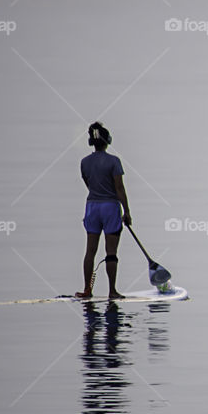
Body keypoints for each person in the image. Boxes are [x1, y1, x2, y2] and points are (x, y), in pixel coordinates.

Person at [76, 122, 131, 299]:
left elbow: (88, 184)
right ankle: (112, 291)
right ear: (107, 141)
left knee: (90, 251)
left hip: (92, 206)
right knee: (111, 252)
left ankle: (86, 290)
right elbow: (119, 188)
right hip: (110, 208)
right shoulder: (114, 161)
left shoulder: (84, 162)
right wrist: (127, 212)